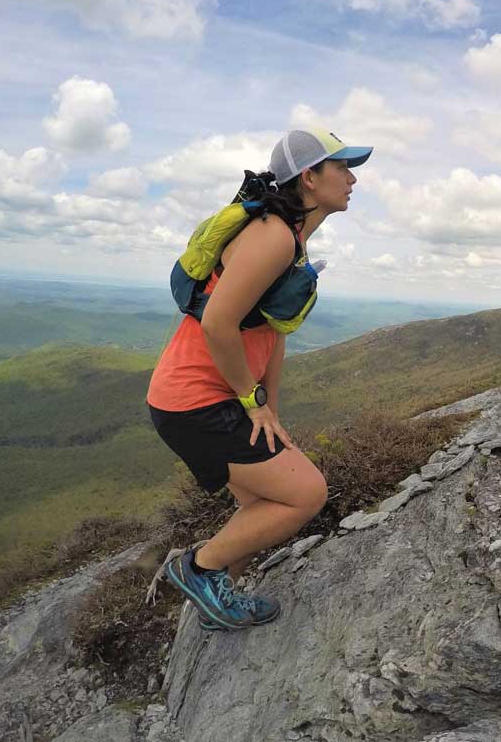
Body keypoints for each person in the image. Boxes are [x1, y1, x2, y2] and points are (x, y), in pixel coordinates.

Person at [146, 128, 371, 630]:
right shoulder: (272, 236)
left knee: (261, 504)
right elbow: (216, 323)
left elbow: (275, 333)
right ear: (309, 178)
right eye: (342, 167)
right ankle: (198, 570)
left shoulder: (292, 241)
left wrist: (270, 409)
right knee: (307, 493)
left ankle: (214, 601)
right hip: (194, 401)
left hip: (214, 397)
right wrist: (252, 402)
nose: (353, 178)